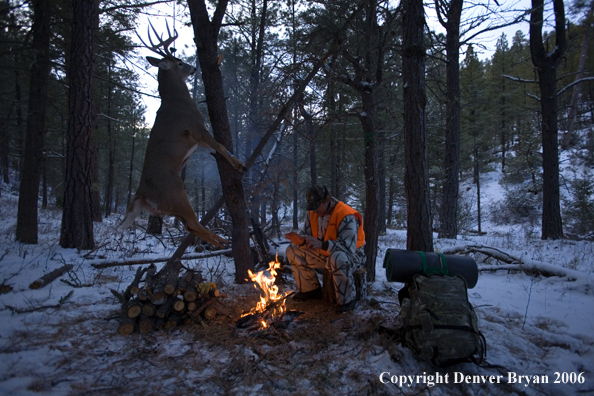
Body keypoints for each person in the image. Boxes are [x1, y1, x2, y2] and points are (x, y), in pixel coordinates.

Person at [285, 185, 366, 313]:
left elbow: (347, 248)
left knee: (337, 257)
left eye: (317, 206)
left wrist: (322, 245)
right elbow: (307, 235)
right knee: (293, 250)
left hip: (352, 256)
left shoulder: (346, 215)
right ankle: (310, 290)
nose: (315, 211)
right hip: (324, 253)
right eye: (312, 207)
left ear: (327, 199)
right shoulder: (313, 212)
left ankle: (347, 301)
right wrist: (301, 241)